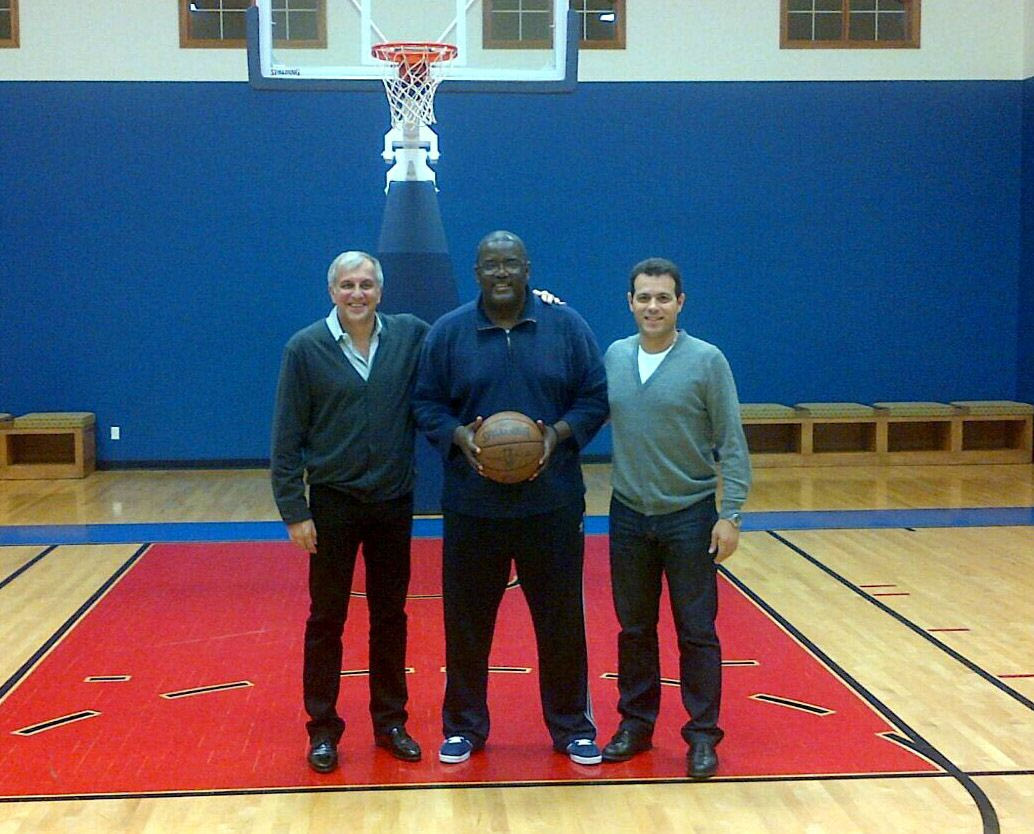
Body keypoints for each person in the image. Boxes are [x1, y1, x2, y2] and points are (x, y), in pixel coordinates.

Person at [413, 230, 609, 766]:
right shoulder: (449, 332)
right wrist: (458, 436)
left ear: (527, 268)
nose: (501, 272)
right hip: (473, 506)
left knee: (561, 619)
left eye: (511, 263)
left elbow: (595, 398)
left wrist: (557, 435)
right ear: (477, 272)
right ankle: (463, 726)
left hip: (552, 503)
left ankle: (572, 727)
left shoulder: (566, 327)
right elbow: (425, 404)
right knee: (466, 621)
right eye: (491, 264)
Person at [271, 251, 429, 773]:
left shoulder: (410, 336)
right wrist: (295, 511)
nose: (357, 294)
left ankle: (390, 723)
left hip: (392, 501)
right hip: (333, 504)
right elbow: (286, 437)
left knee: (390, 616)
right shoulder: (305, 348)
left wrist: (537, 303)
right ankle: (323, 730)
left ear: (380, 291)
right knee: (327, 619)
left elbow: (461, 342)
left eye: (366, 285)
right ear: (332, 291)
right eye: (347, 285)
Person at [600, 257, 752, 780]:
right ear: (630, 303)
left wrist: (731, 514)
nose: (653, 306)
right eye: (644, 297)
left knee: (696, 632)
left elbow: (731, 441)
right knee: (634, 629)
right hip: (628, 516)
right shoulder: (616, 356)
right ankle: (636, 725)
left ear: (680, 303)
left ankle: (703, 736)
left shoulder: (707, 361)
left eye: (663, 297)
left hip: (690, 517)